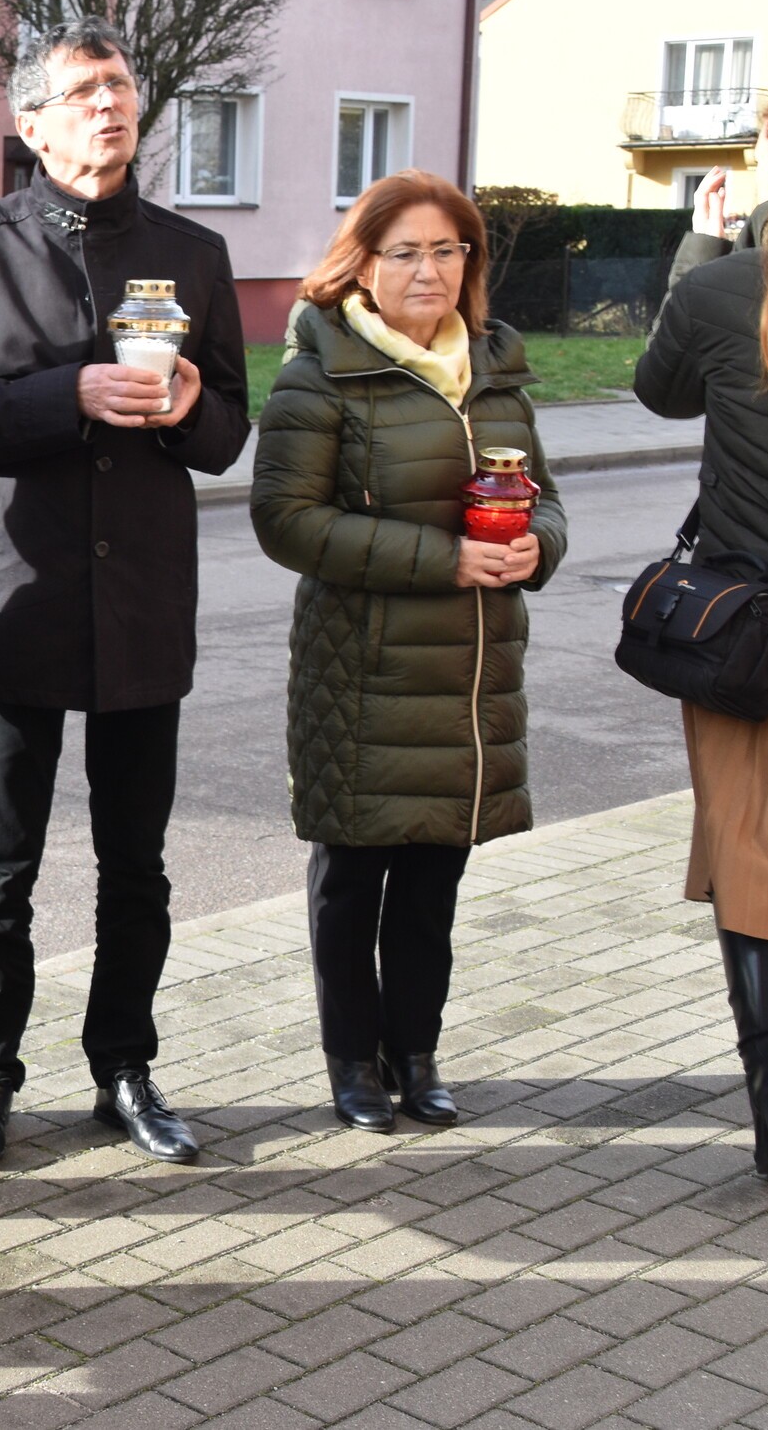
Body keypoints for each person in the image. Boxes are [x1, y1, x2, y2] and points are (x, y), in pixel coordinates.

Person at [0, 16, 249, 1170]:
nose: (109, 103)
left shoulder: (192, 253)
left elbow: (225, 433)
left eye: (121, 85)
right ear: (31, 124)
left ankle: (124, 1069)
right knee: (3, 864)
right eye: (84, 90)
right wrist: (71, 395)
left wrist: (186, 404)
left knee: (135, 863)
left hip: (140, 598)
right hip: (18, 596)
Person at [252, 172, 568, 1134]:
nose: (429, 270)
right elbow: (286, 520)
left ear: (470, 261)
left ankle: (416, 1052)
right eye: (406, 252)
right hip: (362, 672)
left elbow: (547, 499)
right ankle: (353, 1060)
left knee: (434, 883)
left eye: (447, 249)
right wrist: (446, 558)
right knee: (353, 881)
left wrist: (537, 546)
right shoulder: (322, 373)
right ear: (364, 265)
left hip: (470, 678)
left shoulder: (496, 371)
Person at [635, 74, 768, 1181]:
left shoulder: (725, 289)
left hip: (753, 630)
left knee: (758, 843)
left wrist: (702, 244)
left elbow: (660, 392)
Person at [670, 128, 768, 291]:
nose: (757, 173)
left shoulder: (759, 249)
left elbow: (683, 306)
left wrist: (704, 250)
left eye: (758, 161)